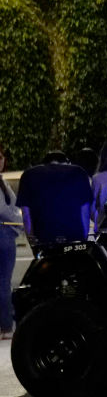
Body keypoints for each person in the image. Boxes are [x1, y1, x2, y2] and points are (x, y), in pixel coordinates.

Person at [16, 151, 92, 247]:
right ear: (67, 162)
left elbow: (26, 214)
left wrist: (33, 242)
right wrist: (83, 239)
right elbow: (85, 212)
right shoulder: (79, 173)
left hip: (43, 238)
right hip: (74, 238)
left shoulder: (29, 175)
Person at [0, 144, 20, 339]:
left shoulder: (3, 183)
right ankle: (5, 326)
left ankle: (5, 325)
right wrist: (18, 221)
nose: (1, 160)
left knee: (4, 283)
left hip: (6, 232)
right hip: (4, 233)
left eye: (2, 157)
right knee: (4, 283)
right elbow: (5, 210)